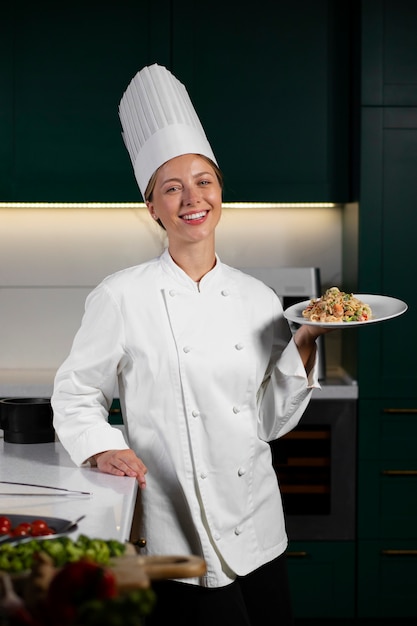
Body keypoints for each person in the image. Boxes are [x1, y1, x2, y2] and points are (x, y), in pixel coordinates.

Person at [51, 64, 329, 626]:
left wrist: (309, 336)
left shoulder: (259, 299)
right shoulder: (121, 296)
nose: (191, 199)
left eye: (203, 181)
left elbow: (269, 422)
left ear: (221, 192)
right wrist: (101, 446)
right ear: (153, 207)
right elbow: (75, 393)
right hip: (174, 535)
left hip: (257, 528)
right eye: (171, 188)